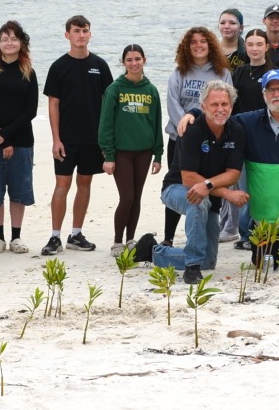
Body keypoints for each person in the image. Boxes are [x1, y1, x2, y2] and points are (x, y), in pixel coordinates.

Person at [177, 69, 279, 266]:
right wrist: (193, 113)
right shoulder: (247, 123)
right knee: (264, 265)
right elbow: (219, 114)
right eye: (270, 90)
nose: (276, 94)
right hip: (264, 222)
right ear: (263, 95)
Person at [154, 81, 247, 284]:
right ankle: (192, 267)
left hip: (208, 193)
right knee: (198, 199)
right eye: (214, 104)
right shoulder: (192, 130)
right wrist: (227, 194)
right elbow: (188, 178)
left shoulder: (237, 130)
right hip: (176, 188)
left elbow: (233, 174)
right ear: (203, 107)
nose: (220, 109)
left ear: (231, 106)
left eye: (225, 104)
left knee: (209, 261)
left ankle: (154, 252)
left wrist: (208, 185)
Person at [42, 15, 113, 255]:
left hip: (92, 140)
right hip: (66, 140)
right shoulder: (59, 66)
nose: (81, 35)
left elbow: (108, 103)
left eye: (84, 31)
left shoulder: (100, 65)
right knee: (62, 185)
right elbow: (53, 105)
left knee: (85, 184)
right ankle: (54, 237)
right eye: (76, 31)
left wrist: (106, 140)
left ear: (90, 34)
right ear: (67, 35)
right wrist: (56, 139)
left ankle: (75, 234)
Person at [162, 27, 232, 246]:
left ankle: (208, 236)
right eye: (193, 42)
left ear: (210, 45)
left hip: (211, 140)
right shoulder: (179, 73)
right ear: (187, 47)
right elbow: (173, 103)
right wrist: (186, 128)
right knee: (179, 184)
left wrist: (202, 127)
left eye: (203, 41)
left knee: (208, 186)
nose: (199, 45)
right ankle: (168, 237)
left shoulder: (221, 73)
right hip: (179, 138)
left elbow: (226, 103)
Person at [0, 21, 39, 255]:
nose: (9, 42)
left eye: (13, 38)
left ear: (21, 42)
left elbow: (30, 111)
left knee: (19, 189)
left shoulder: (28, 71)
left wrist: (7, 135)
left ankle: (16, 237)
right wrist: (0, 137)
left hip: (21, 140)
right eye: (4, 38)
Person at [98, 44, 164, 256]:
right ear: (123, 62)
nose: (134, 63)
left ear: (144, 60)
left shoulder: (151, 90)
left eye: (137, 59)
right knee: (126, 197)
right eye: (129, 60)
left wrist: (158, 154)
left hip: (144, 152)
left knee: (136, 197)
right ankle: (117, 241)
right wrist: (108, 155)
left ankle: (130, 239)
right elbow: (105, 123)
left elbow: (156, 123)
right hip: (122, 152)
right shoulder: (115, 89)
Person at [230, 29, 274, 249]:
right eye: (250, 44)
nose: (254, 49)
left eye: (259, 44)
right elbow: (231, 104)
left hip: (265, 137)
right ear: (245, 47)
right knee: (244, 187)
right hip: (240, 137)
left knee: (261, 189)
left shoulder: (272, 73)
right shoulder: (239, 72)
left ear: (267, 47)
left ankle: (255, 233)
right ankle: (245, 233)